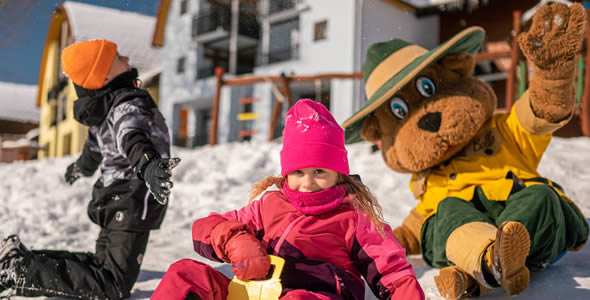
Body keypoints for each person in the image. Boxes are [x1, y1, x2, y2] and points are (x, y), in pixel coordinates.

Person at [152, 99, 424, 300]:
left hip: (316, 296)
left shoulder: (354, 216)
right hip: (253, 292)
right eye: (298, 172)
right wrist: (236, 240)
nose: (308, 183)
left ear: (339, 173)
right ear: (286, 173)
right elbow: (208, 227)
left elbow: (393, 272)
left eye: (319, 171)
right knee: (184, 273)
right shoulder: (268, 205)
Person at [0, 39, 179, 299]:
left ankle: (22, 260)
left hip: (116, 198)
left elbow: (94, 149)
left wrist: (81, 168)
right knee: (112, 285)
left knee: (100, 267)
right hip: (131, 199)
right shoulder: (127, 104)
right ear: (104, 74)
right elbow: (132, 136)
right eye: (118, 57)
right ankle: (19, 270)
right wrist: (148, 165)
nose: (127, 59)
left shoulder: (105, 106)